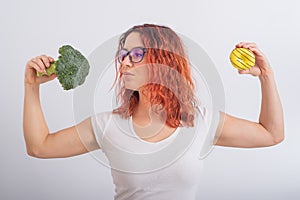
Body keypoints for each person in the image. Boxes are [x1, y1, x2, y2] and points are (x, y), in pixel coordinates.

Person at [23, 24, 284, 199]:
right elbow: (40, 146)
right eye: (123, 54)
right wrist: (31, 87)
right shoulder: (107, 125)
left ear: (164, 59)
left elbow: (271, 134)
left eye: (136, 54)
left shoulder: (200, 120)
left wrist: (267, 76)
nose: (124, 62)